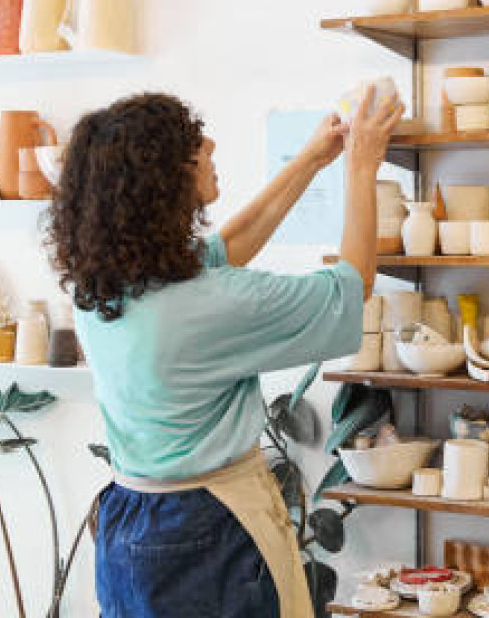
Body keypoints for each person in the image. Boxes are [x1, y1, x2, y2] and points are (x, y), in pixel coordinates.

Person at [45, 86, 401, 618]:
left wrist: (308, 162)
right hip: (208, 529)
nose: (210, 143)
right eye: (193, 143)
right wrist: (362, 169)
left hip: (130, 522)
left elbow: (225, 249)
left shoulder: (103, 284)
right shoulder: (207, 307)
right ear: (163, 179)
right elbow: (352, 286)